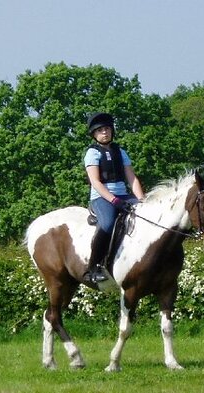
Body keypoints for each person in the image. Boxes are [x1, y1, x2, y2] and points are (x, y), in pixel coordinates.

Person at [83, 112, 146, 283]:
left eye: (107, 129)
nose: (105, 132)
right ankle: (93, 267)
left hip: (123, 195)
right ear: (94, 134)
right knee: (107, 223)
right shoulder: (92, 153)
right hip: (102, 197)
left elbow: (131, 178)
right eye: (100, 130)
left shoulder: (121, 151)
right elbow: (95, 182)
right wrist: (113, 200)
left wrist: (142, 200)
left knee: (146, 215)